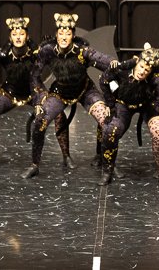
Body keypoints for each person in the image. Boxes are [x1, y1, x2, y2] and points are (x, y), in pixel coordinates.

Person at [23, 14, 118, 179]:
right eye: (61, 33)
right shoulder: (47, 51)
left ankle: (106, 161)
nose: (64, 37)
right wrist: (40, 98)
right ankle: (37, 164)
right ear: (56, 34)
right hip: (60, 92)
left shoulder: (82, 51)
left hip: (85, 90)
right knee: (40, 121)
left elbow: (103, 59)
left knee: (106, 119)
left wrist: (115, 64)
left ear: (73, 35)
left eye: (67, 34)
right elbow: (34, 76)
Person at [97, 43, 159, 187]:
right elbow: (103, 80)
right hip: (124, 105)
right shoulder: (122, 69)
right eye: (141, 67)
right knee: (111, 130)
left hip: (150, 104)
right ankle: (107, 171)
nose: (142, 71)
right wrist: (110, 104)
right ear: (137, 61)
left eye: (147, 70)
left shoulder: (155, 77)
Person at [0, 17, 66, 169]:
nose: (18, 37)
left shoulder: (35, 53)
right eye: (14, 34)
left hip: (34, 91)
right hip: (10, 93)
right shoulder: (3, 55)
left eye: (21, 34)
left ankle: (65, 155)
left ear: (27, 36)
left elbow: (55, 59)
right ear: (10, 37)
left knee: (58, 113)